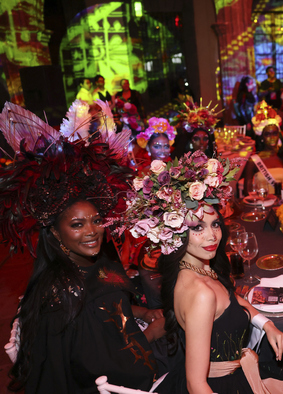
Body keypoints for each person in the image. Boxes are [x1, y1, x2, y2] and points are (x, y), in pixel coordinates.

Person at [0, 102, 165, 392]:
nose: (92, 232)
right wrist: (152, 333)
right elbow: (101, 364)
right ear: (53, 232)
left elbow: (109, 302)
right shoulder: (64, 294)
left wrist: (139, 312)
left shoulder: (93, 263)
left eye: (97, 220)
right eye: (77, 225)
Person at [122, 151, 283, 393]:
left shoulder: (197, 269)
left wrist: (266, 324)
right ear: (176, 232)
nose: (212, 236)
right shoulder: (200, 294)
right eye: (198, 227)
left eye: (215, 224)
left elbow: (230, 299)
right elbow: (196, 383)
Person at [244, 101, 283, 195]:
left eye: (275, 133)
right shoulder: (253, 161)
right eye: (267, 134)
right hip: (262, 205)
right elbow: (247, 193)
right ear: (261, 137)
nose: (272, 138)